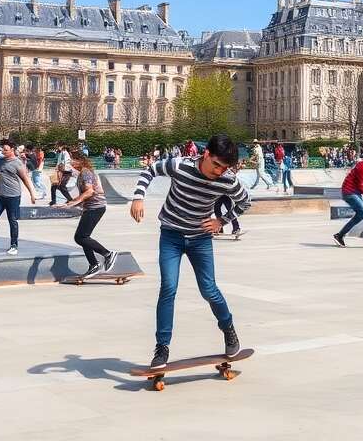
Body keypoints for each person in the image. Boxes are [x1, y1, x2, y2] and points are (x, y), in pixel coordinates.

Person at [131, 133, 249, 368]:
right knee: (168, 288)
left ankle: (228, 329)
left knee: (209, 290)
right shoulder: (180, 165)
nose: (217, 172)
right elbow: (150, 170)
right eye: (215, 164)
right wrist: (138, 197)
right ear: (206, 154)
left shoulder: (228, 180)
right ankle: (162, 348)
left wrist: (221, 221)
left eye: (223, 168)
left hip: (200, 239)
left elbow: (244, 201)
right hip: (171, 236)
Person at [63, 149, 118, 277]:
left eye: (73, 160)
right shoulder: (83, 173)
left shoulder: (86, 173)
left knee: (80, 237)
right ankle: (93, 264)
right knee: (84, 237)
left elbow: (90, 192)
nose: (71, 162)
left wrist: (74, 202)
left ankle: (108, 254)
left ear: (81, 161)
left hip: (96, 207)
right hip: (91, 207)